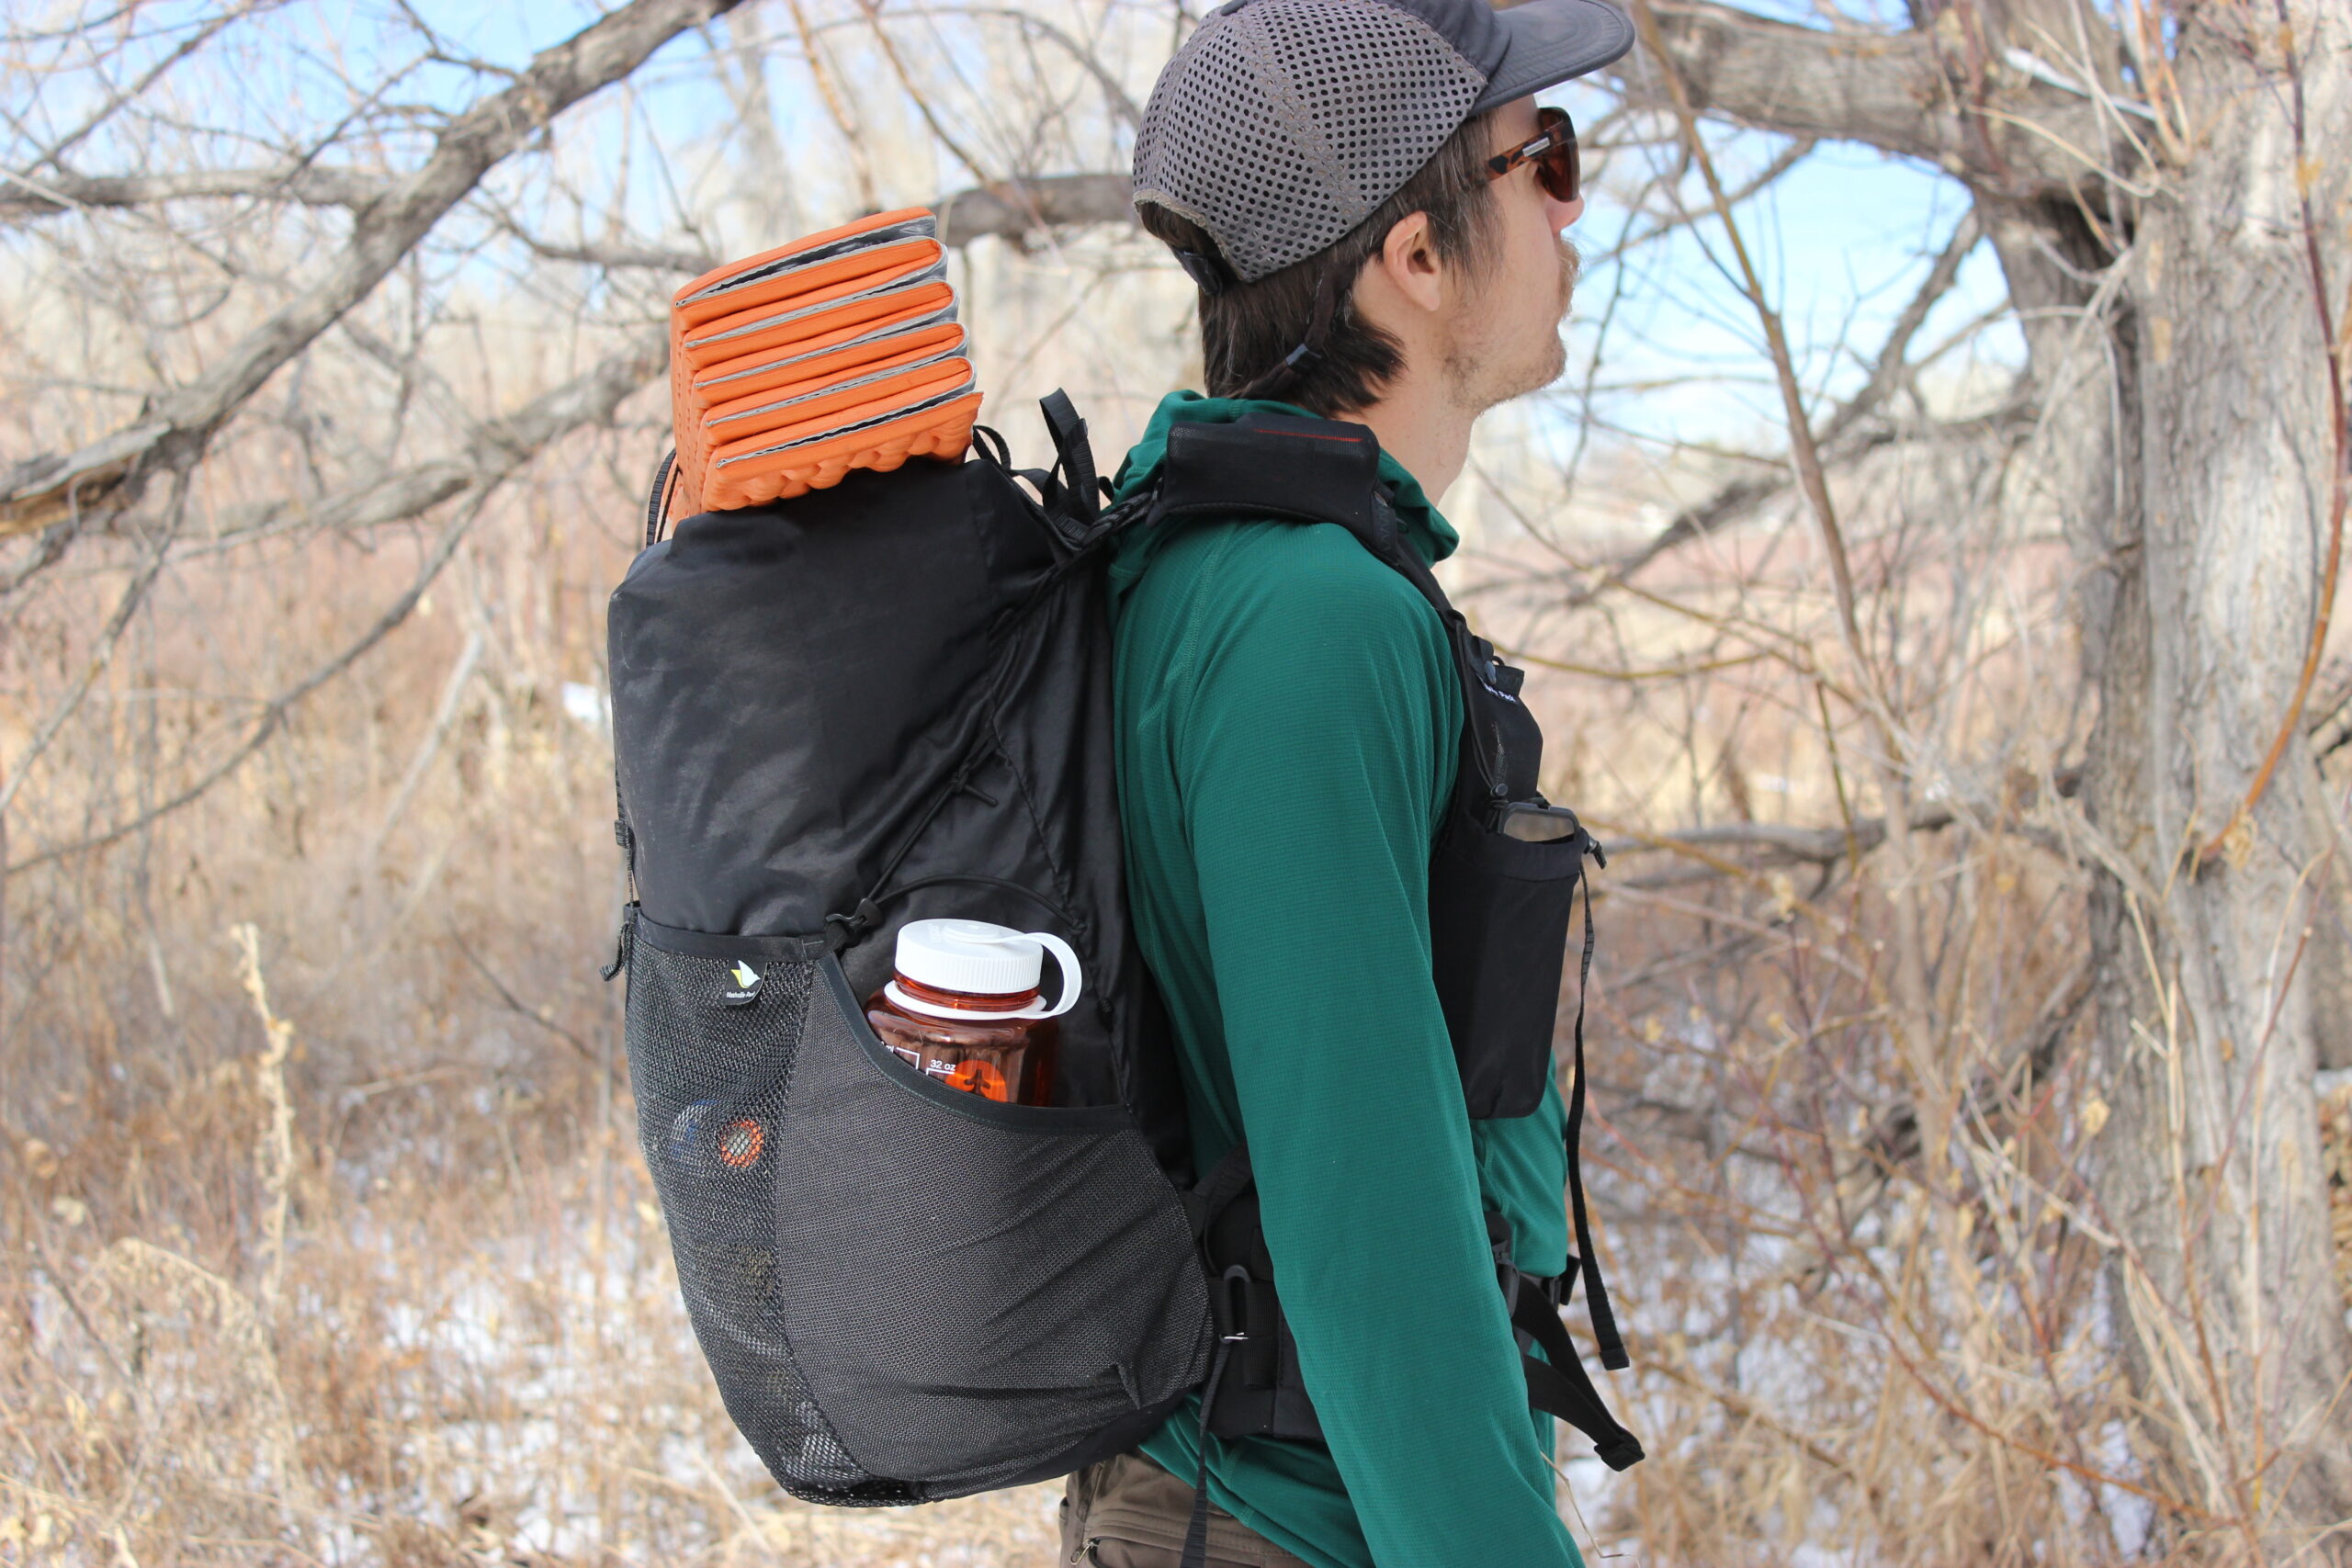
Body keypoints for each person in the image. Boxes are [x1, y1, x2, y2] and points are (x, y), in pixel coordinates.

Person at [1055, 0, 1636, 1563]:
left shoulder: (1228, 570)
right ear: (1420, 257)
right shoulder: (1309, 619)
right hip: (1294, 1523)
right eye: (1544, 159)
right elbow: (1368, 1216)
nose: (1573, 204)